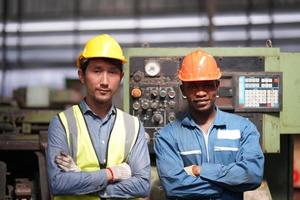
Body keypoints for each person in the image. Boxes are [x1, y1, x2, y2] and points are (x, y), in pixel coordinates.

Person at [47, 34, 151, 200]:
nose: (104, 81)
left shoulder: (133, 126)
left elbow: (142, 185)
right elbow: (59, 183)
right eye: (97, 71)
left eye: (112, 72)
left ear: (121, 78)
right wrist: (112, 173)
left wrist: (83, 180)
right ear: (81, 75)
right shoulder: (62, 123)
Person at [154, 49, 264, 200]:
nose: (200, 93)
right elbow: (174, 187)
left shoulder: (243, 128)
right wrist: (229, 187)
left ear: (217, 86)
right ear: (183, 90)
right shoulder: (167, 136)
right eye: (193, 86)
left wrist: (199, 170)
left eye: (207, 85)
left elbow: (252, 175)